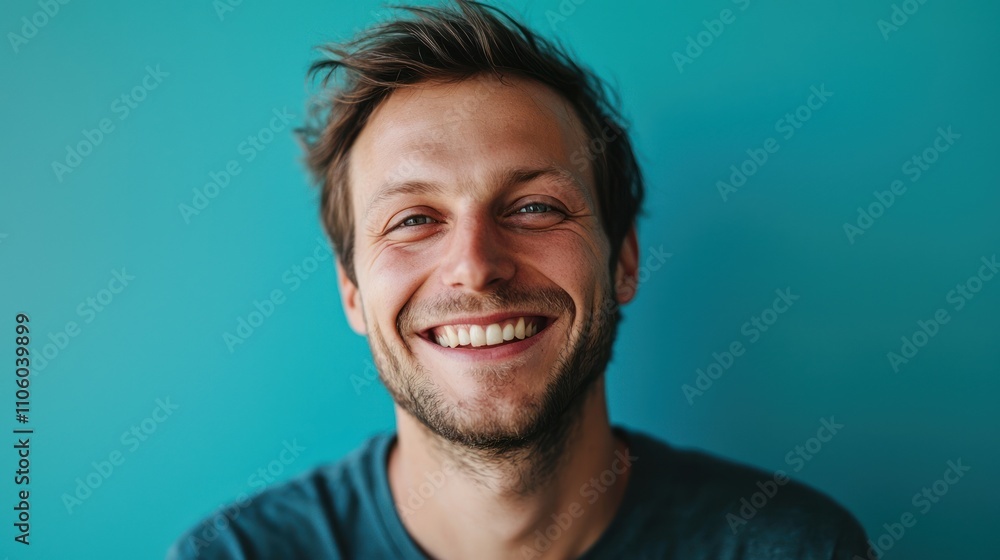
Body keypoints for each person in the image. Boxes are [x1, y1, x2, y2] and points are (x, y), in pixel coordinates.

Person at [169, 1, 872, 558]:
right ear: (352, 291)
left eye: (534, 207)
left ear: (622, 259)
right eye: (414, 219)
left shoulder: (793, 547)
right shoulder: (234, 556)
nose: (475, 265)